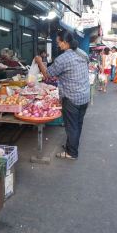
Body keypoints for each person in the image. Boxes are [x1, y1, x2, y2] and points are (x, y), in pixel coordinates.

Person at [36, 30, 90, 160]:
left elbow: (48, 75)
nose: (57, 45)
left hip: (71, 98)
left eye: (58, 42)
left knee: (71, 126)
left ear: (65, 43)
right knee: (78, 124)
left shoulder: (63, 58)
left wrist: (39, 61)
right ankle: (72, 146)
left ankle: (71, 153)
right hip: (84, 95)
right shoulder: (82, 53)